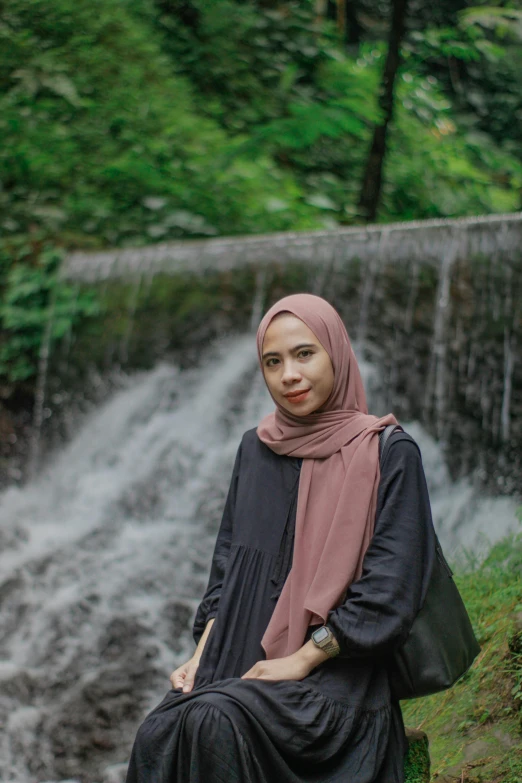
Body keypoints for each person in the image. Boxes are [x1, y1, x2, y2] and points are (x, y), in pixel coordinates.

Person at [126, 293, 436, 783]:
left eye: (304, 354)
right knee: (160, 731)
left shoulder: (389, 453)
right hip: (237, 667)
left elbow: (390, 594)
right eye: (273, 362)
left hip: (334, 684)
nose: (289, 374)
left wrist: (300, 661)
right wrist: (199, 656)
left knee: (214, 721)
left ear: (336, 352)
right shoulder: (255, 448)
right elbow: (228, 569)